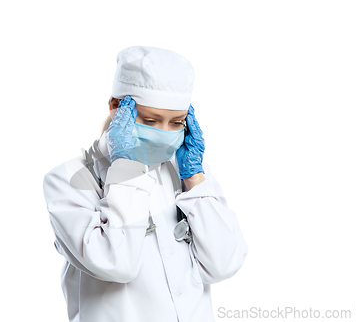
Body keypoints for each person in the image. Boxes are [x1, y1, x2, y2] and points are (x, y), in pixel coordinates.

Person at [42, 46, 249, 322]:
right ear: (116, 107)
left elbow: (223, 264)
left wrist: (195, 182)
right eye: (150, 120)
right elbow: (116, 265)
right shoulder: (68, 179)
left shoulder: (188, 172)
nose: (165, 134)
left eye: (176, 123)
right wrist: (126, 170)